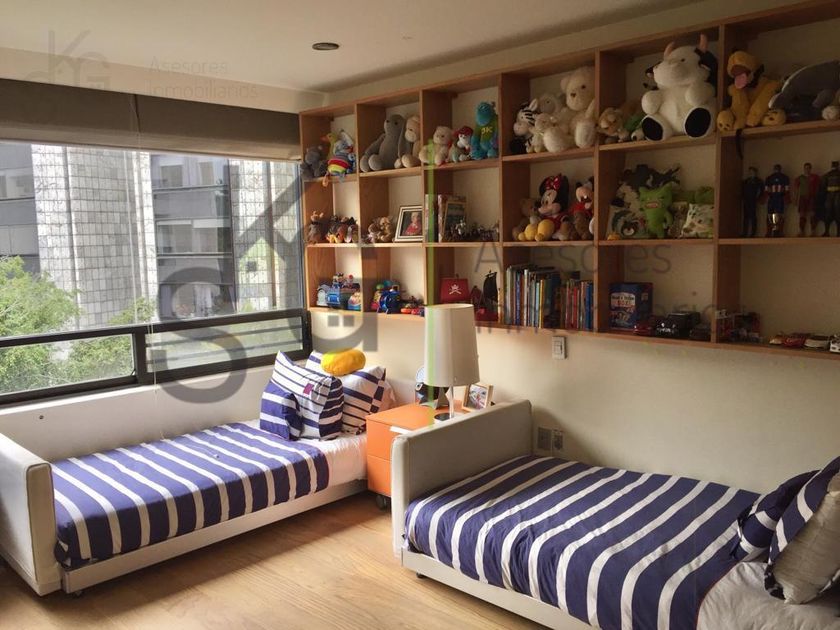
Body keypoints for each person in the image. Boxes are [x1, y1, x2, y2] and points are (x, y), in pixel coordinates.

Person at [794, 162, 820, 236]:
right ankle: (801, 231)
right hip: (802, 197)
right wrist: (796, 199)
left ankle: (813, 231)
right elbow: (796, 189)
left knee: (812, 214)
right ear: (804, 169)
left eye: (808, 168)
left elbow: (818, 188)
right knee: (802, 214)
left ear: (810, 169)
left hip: (812, 197)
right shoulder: (800, 178)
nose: (807, 170)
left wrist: (817, 198)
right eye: (805, 168)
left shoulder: (815, 177)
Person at [763, 164, 790, 238]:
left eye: (777, 169)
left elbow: (787, 190)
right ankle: (769, 232)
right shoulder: (769, 178)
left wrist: (787, 199)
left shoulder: (785, 178)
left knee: (780, 215)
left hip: (780, 198)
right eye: (776, 169)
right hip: (772, 198)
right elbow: (766, 190)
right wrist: (764, 199)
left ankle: (780, 232)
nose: (777, 170)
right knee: (769, 215)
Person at [819, 161, 840, 237]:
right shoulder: (827, 175)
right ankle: (827, 231)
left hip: (837, 195)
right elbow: (822, 187)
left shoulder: (827, 175)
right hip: (829, 195)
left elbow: (822, 187)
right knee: (828, 214)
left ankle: (837, 232)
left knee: (838, 213)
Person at [741, 167, 763, 238]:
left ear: (755, 173)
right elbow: (742, 190)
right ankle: (745, 232)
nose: (751, 173)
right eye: (750, 172)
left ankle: (753, 233)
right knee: (746, 217)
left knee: (753, 216)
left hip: (753, 200)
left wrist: (758, 198)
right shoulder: (746, 181)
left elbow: (761, 190)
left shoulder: (758, 181)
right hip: (746, 200)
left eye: (752, 172)